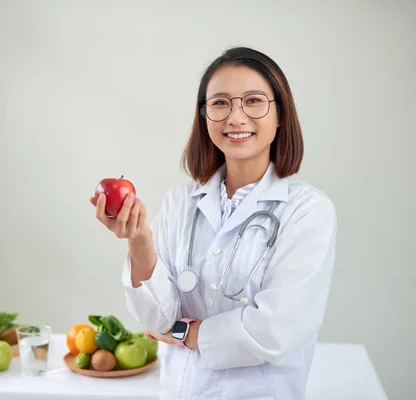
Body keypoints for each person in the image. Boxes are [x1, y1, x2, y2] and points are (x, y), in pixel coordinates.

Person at [90, 46, 337, 400]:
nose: (235, 117)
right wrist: (139, 240)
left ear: (280, 114)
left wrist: (186, 335)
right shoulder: (180, 202)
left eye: (253, 101)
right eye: (220, 103)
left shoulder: (308, 211)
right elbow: (155, 317)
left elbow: (274, 332)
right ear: (204, 116)